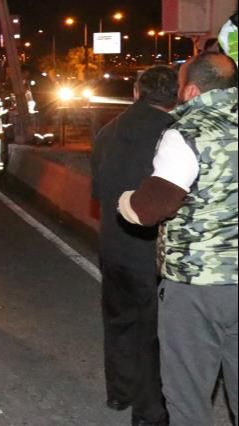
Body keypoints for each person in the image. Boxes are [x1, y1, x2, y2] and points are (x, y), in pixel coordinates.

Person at [119, 52, 238, 426]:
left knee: (188, 396)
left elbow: (149, 209)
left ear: (190, 89)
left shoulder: (188, 131)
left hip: (198, 286)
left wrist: (125, 201)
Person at [91, 65, 178, 426]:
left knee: (118, 321)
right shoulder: (174, 133)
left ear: (137, 92)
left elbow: (97, 192)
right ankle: (149, 412)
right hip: (151, 251)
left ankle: (119, 392)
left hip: (113, 244)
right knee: (152, 332)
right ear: (177, 95)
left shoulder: (108, 130)